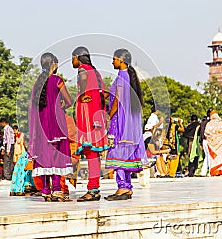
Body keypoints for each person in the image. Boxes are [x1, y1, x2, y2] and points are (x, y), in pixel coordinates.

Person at [29, 52, 73, 202]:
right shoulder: (57, 80)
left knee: (45, 156)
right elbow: (69, 101)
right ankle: (57, 189)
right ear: (53, 64)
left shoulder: (37, 83)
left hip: (42, 125)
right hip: (56, 123)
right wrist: (61, 104)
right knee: (56, 155)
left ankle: (46, 191)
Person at [104, 49, 145, 201]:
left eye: (114, 59)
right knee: (125, 151)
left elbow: (118, 100)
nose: (112, 62)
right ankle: (126, 187)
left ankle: (122, 187)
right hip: (128, 122)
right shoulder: (128, 75)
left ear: (121, 60)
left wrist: (110, 115)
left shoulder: (121, 76)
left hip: (120, 121)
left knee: (118, 151)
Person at [72, 46, 109, 202]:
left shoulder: (83, 69)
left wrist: (84, 95)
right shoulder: (96, 72)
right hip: (96, 117)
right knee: (93, 154)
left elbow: (83, 77)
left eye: (72, 58)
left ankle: (93, 190)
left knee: (91, 153)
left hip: (87, 119)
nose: (72, 61)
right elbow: (105, 92)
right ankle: (94, 188)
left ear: (77, 57)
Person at [204, 110, 222, 176]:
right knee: (221, 156)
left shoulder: (209, 124)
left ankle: (215, 172)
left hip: (212, 144)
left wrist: (213, 137)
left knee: (213, 158)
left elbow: (206, 133)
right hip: (221, 144)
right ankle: (221, 171)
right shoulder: (221, 123)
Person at [199, 109, 212, 176]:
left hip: (203, 141)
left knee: (207, 156)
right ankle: (210, 171)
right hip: (209, 140)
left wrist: (200, 142)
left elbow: (201, 133)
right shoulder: (210, 122)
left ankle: (203, 172)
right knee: (210, 156)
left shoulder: (203, 122)